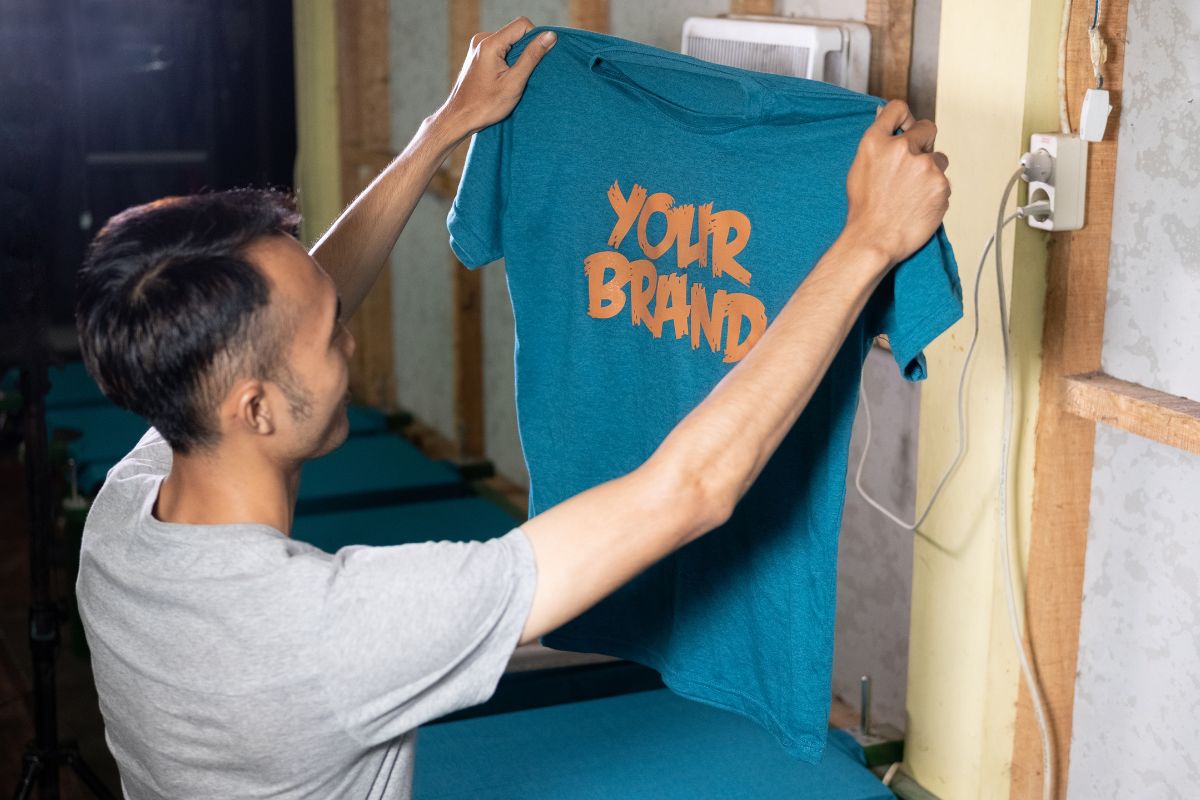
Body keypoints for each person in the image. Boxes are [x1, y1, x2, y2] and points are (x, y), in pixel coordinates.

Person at [74, 16, 949, 800]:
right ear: (255, 409)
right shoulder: (330, 632)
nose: (352, 335)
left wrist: (439, 131)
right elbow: (690, 493)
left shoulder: (126, 509)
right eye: (333, 333)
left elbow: (299, 307)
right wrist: (867, 240)